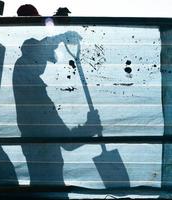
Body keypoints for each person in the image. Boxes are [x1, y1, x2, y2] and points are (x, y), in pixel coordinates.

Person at [13, 31, 102, 190]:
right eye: (42, 59)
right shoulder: (27, 80)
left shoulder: (29, 84)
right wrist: (91, 127)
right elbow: (67, 143)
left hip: (40, 153)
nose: (44, 65)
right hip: (44, 155)